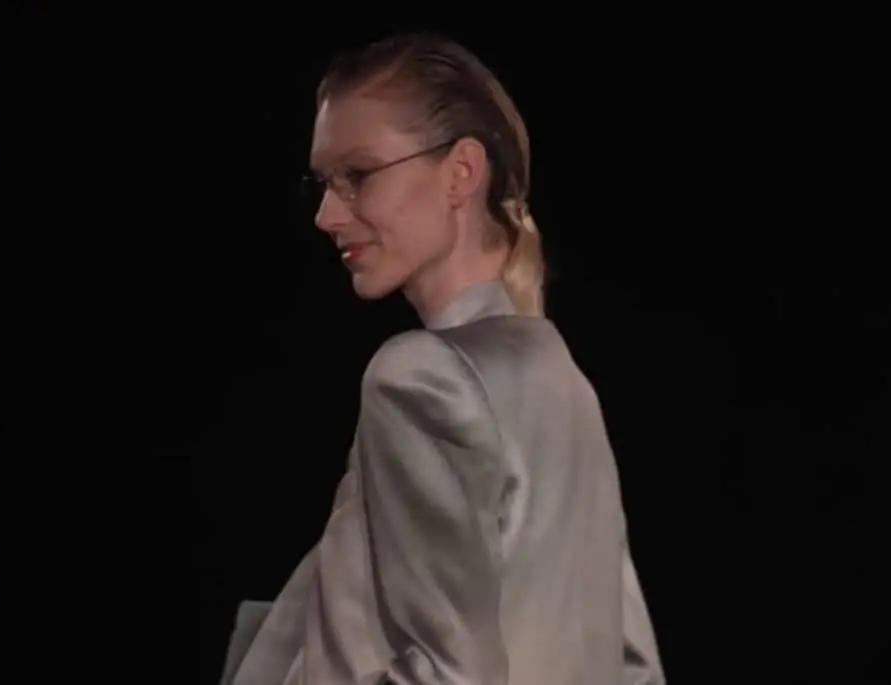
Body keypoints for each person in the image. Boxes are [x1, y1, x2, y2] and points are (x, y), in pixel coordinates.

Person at [222, 32, 664, 685]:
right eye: (323, 183)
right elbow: (634, 666)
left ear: (461, 172)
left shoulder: (419, 376)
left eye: (358, 175)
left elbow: (452, 674)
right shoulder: (559, 376)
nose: (326, 214)